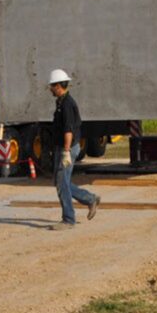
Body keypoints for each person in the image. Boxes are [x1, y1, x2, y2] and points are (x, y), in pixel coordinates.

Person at [47, 69, 99, 230]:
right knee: (62, 182)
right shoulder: (61, 102)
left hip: (67, 148)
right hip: (62, 147)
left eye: (51, 86)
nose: (50, 89)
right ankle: (90, 199)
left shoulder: (67, 104)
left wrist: (66, 151)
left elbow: (68, 130)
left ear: (58, 86)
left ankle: (69, 219)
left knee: (62, 183)